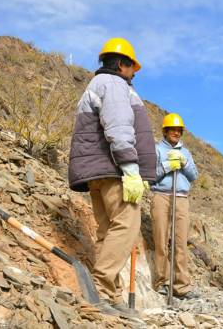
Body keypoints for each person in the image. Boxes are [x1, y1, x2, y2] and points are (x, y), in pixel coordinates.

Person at [68, 38, 156, 317]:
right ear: (121, 64)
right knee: (126, 227)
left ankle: (111, 295)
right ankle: (101, 287)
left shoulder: (95, 86)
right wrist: (131, 167)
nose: (134, 74)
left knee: (108, 232)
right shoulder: (116, 85)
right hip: (113, 170)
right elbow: (118, 127)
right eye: (132, 68)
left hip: (97, 172)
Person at [150, 113, 199, 299]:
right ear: (165, 130)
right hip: (161, 196)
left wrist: (184, 163)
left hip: (181, 199)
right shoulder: (156, 150)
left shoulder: (186, 152)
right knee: (161, 239)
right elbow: (150, 176)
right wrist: (166, 166)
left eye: (179, 130)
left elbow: (194, 176)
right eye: (173, 129)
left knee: (180, 243)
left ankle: (181, 286)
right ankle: (162, 282)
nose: (176, 133)